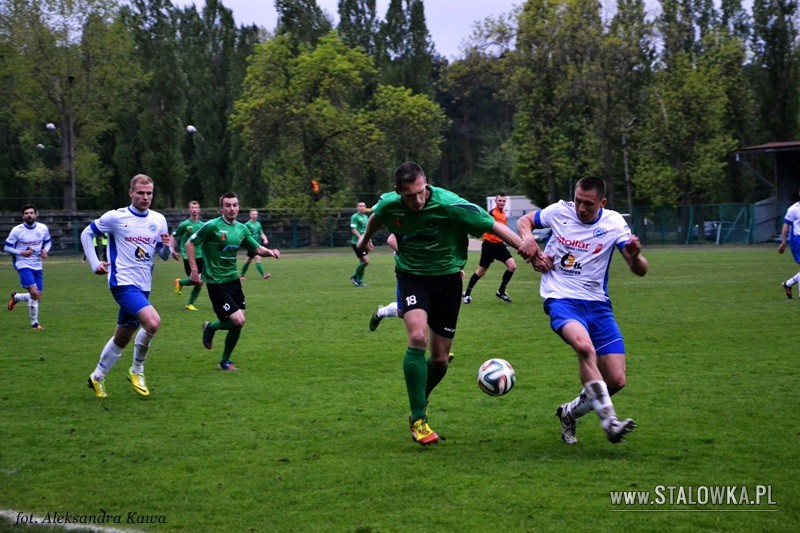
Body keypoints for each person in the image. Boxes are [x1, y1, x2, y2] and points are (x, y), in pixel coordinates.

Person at [357, 161, 535, 446]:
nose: (416, 200)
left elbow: (493, 226)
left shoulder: (451, 204)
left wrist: (528, 250)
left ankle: (420, 398)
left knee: (439, 361)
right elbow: (377, 216)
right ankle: (418, 419)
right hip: (412, 276)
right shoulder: (391, 204)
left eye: (420, 192)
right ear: (397, 192)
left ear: (426, 183)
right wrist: (365, 240)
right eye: (409, 195)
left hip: (448, 280)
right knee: (417, 338)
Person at [517, 176, 648, 445]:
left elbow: (640, 270)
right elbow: (524, 221)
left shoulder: (613, 223)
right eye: (577, 200)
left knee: (616, 379)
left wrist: (635, 256)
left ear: (602, 202)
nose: (580, 208)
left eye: (588, 203)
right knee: (584, 347)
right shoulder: (560, 211)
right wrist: (529, 239)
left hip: (598, 305)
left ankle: (569, 413)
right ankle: (610, 423)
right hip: (562, 299)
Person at [81, 174, 172, 398]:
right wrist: (94, 263)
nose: (145, 197)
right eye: (141, 193)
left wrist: (168, 247)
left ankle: (97, 377)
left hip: (144, 285)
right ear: (131, 193)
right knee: (153, 322)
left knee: (123, 336)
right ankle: (137, 370)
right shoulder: (116, 217)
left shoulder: (158, 219)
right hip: (122, 282)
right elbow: (87, 232)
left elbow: (163, 254)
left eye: (149, 193)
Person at [186, 192, 280, 371]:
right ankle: (211, 328)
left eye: (235, 205)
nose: (232, 209)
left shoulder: (241, 229)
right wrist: (194, 270)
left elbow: (257, 248)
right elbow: (190, 244)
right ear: (221, 208)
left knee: (239, 322)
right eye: (228, 205)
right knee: (237, 321)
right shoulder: (212, 226)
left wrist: (271, 251)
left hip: (234, 281)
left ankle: (224, 361)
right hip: (216, 282)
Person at [462, 193, 517, 304]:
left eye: (503, 201)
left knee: (512, 266)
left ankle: (501, 291)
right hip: (489, 245)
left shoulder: (504, 215)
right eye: (500, 200)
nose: (501, 202)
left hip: (500, 246)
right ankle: (467, 294)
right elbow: (487, 226)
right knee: (481, 271)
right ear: (496, 202)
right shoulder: (492, 213)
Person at [5, 204, 51, 329]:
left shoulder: (43, 228)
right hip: (22, 264)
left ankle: (17, 297)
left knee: (37, 297)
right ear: (23, 216)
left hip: (37, 264)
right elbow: (7, 247)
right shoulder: (17, 230)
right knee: (35, 295)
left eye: (31, 213)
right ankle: (34, 324)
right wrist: (21, 253)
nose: (29, 215)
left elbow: (48, 242)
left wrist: (45, 251)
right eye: (26, 213)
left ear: (36, 215)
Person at [171, 201, 205, 310]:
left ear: (199, 210)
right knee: (195, 280)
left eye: (196, 207)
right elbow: (173, 236)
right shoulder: (185, 224)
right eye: (192, 207)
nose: (194, 209)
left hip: (200, 256)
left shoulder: (202, 225)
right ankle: (180, 282)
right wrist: (172, 250)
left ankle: (190, 304)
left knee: (200, 281)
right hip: (188, 257)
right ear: (189, 210)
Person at [778, 189, 800, 298]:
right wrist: (783, 242)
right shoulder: (793, 209)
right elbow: (786, 226)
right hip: (797, 240)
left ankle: (788, 284)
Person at [240, 209, 271, 280]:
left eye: (256, 214)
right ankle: (264, 275)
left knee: (248, 260)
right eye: (253, 214)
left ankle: (241, 276)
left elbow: (261, 233)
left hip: (257, 245)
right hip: (251, 245)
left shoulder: (258, 224)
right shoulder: (247, 224)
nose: (254, 216)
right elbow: (242, 233)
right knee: (257, 258)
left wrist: (265, 239)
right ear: (250, 215)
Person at [350, 202, 372, 286]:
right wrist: (361, 239)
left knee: (362, 262)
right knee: (366, 261)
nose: (362, 207)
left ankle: (359, 281)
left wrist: (370, 241)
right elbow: (354, 229)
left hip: (364, 242)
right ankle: (355, 277)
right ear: (357, 208)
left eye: (364, 206)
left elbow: (367, 231)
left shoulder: (366, 217)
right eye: (360, 206)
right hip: (357, 243)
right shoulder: (354, 217)